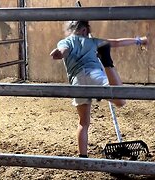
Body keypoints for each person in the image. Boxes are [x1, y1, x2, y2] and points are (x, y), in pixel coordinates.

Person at [50, 20, 148, 157]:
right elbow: (117, 42)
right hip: (94, 75)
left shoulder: (64, 41)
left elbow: (62, 51)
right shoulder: (93, 41)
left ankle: (83, 157)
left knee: (83, 122)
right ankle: (107, 62)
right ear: (84, 30)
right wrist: (138, 40)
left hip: (77, 81)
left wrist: (58, 54)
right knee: (120, 101)